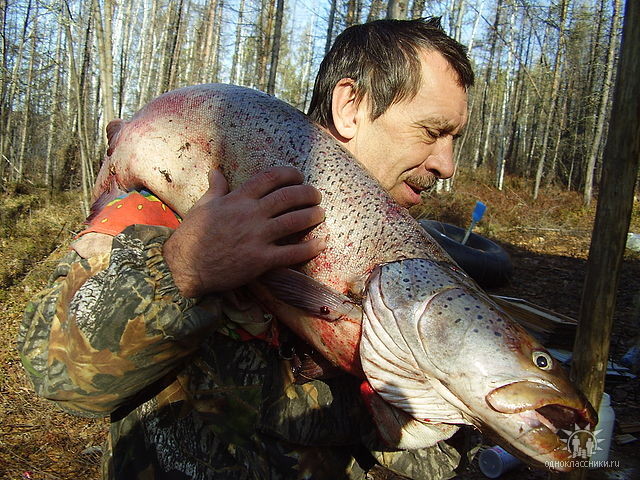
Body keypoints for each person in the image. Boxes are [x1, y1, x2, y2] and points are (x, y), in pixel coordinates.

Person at [18, 17, 473, 480]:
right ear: (350, 107)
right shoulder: (185, 198)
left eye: (454, 139)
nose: (447, 165)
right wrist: (184, 268)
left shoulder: (400, 265)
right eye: (431, 131)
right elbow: (58, 374)